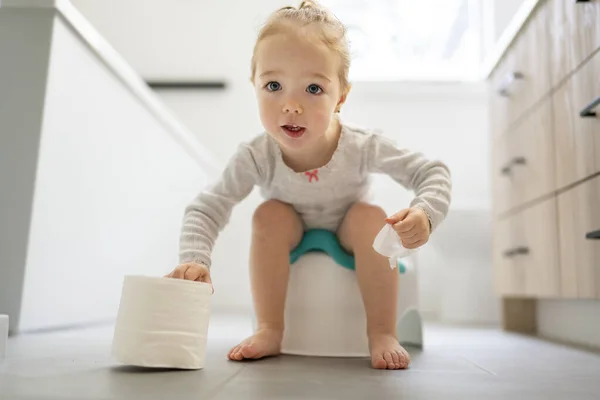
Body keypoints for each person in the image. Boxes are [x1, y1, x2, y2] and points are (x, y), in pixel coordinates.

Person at [165, 0, 451, 370]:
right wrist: (194, 259)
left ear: (341, 97)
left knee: (371, 217)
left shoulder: (362, 145)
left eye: (313, 89)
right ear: (255, 86)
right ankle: (270, 328)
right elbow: (209, 206)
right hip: (291, 229)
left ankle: (381, 331)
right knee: (268, 214)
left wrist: (426, 213)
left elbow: (431, 171)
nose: (291, 105)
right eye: (274, 85)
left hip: (348, 225)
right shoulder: (256, 155)